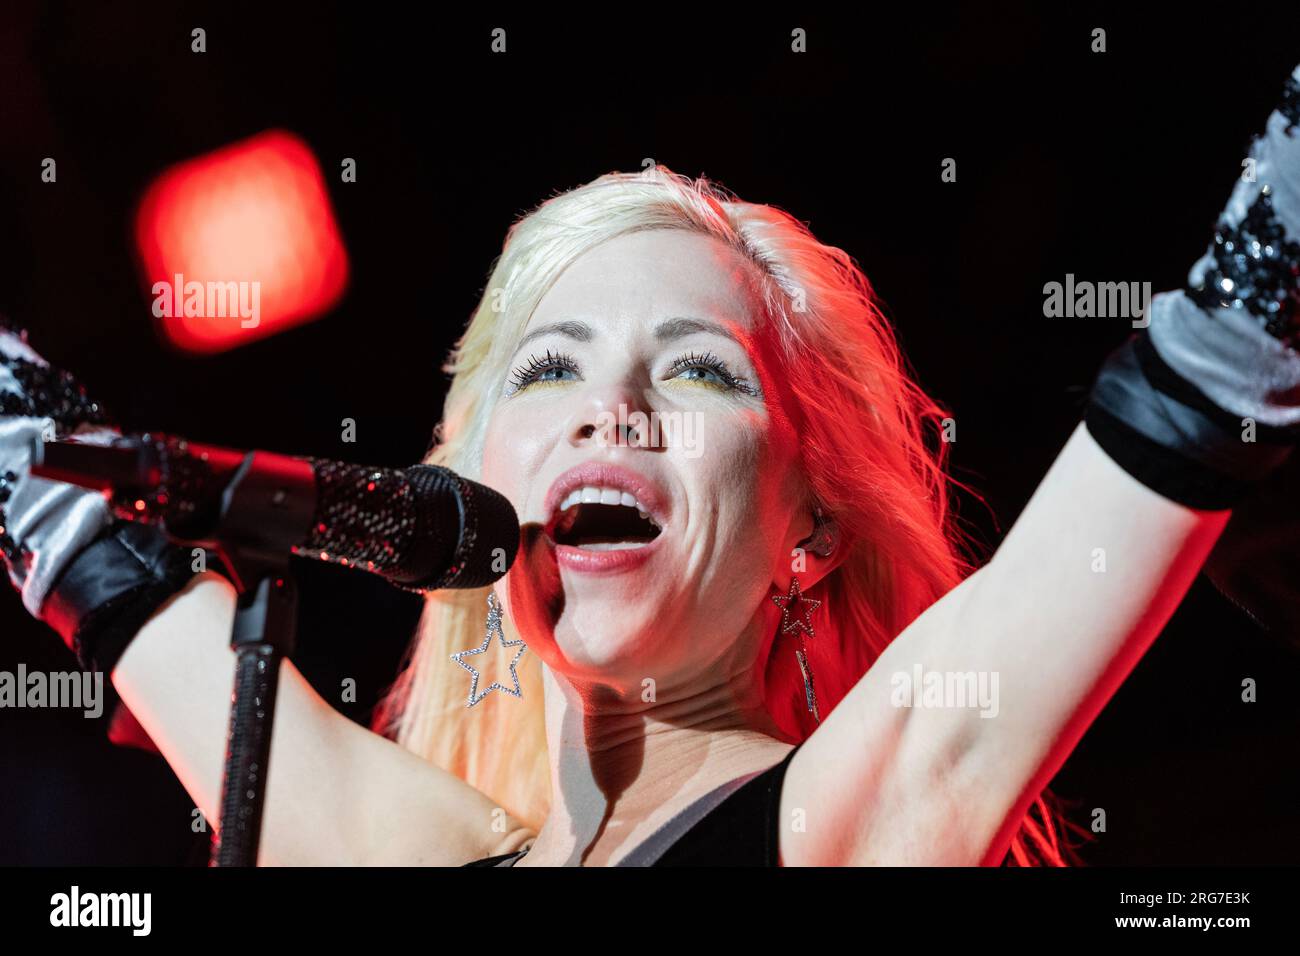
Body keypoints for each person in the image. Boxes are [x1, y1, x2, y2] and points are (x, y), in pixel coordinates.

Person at [4, 65, 1298, 867]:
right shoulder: (392, 849)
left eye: (697, 370)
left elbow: (1194, 391)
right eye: (550, 370)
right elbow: (56, 501)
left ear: (810, 528)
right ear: (477, 475)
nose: (609, 409)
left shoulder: (845, 824)